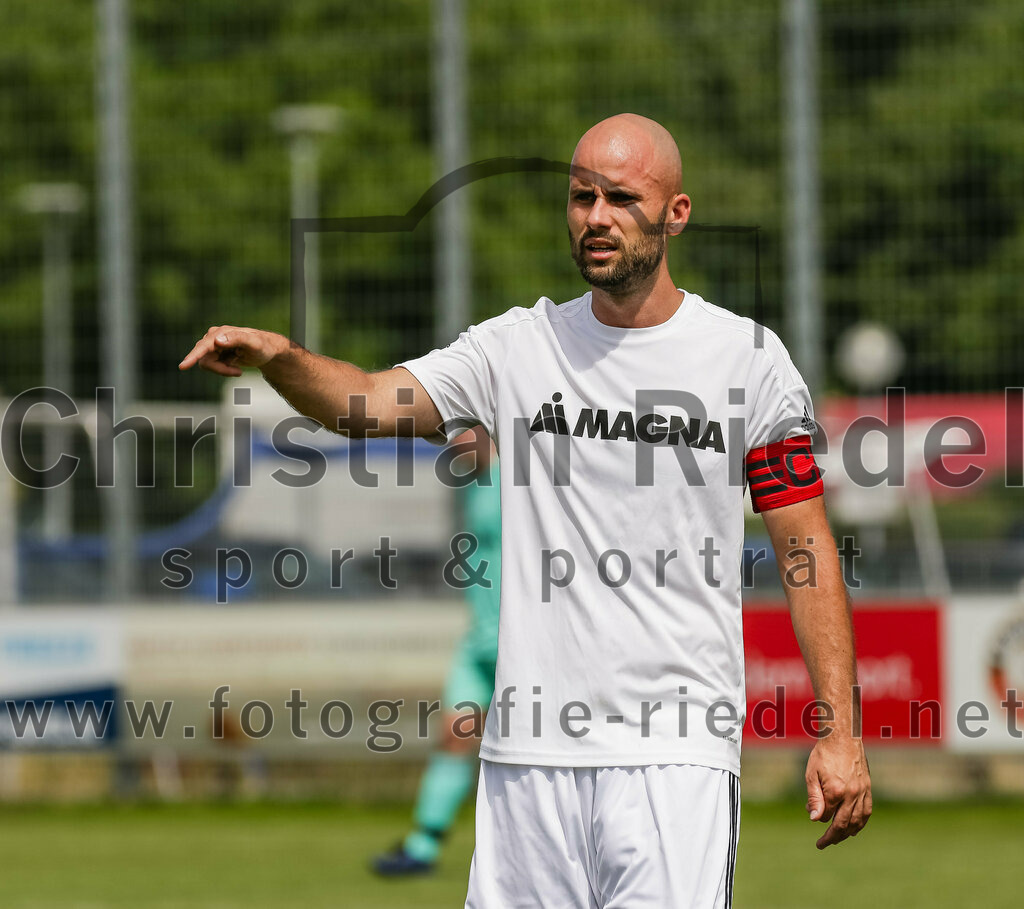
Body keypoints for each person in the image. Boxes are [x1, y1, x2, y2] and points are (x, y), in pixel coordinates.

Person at [181, 113, 871, 908]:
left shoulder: (746, 359)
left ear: (676, 214)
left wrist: (840, 732)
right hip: (525, 762)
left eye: (621, 198)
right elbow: (364, 404)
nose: (596, 218)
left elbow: (804, 548)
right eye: (582, 198)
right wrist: (281, 358)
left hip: (674, 760)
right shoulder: (514, 347)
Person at [373, 427, 501, 876]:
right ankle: (422, 845)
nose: (449, 443)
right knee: (453, 734)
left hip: (521, 643)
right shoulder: (473, 483)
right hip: (479, 641)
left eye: (459, 431)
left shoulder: (523, 479)